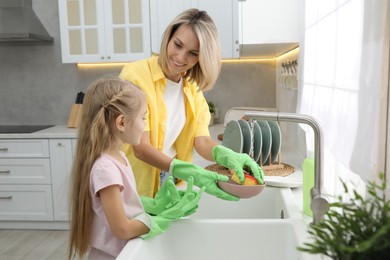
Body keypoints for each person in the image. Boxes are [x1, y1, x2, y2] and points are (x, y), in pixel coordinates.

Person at [119, 8, 264, 200]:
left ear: (201, 58)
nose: (180, 57)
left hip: (172, 180)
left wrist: (226, 155)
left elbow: (202, 141)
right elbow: (140, 147)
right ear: (168, 37)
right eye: (177, 45)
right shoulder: (135, 76)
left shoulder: (192, 89)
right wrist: (190, 171)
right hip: (135, 183)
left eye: (192, 53)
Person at [68, 78, 204, 260]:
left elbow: (121, 205)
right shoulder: (106, 168)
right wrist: (161, 220)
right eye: (143, 117)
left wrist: (155, 206)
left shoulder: (119, 157)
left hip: (125, 252)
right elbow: (122, 229)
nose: (145, 125)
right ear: (122, 123)